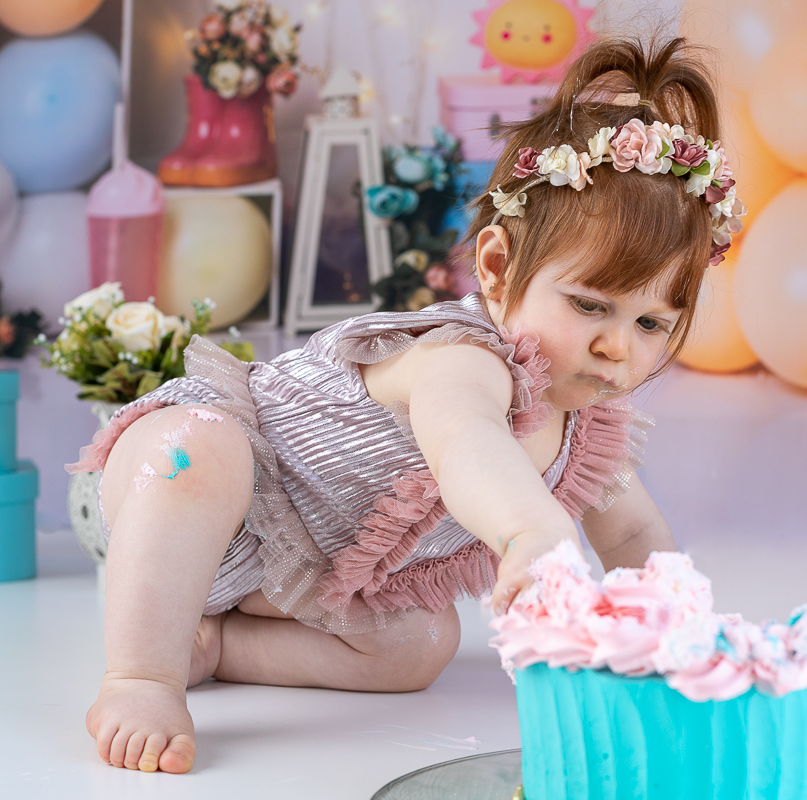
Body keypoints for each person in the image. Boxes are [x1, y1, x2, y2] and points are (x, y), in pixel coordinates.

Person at [73, 33, 744, 774]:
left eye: (652, 323)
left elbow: (633, 536)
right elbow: (468, 445)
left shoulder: (585, 431)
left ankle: (216, 641)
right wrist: (528, 530)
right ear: (496, 267)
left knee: (421, 644)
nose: (619, 347)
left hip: (282, 573)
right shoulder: (463, 360)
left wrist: (685, 640)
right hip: (177, 486)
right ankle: (142, 673)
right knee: (201, 448)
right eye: (591, 305)